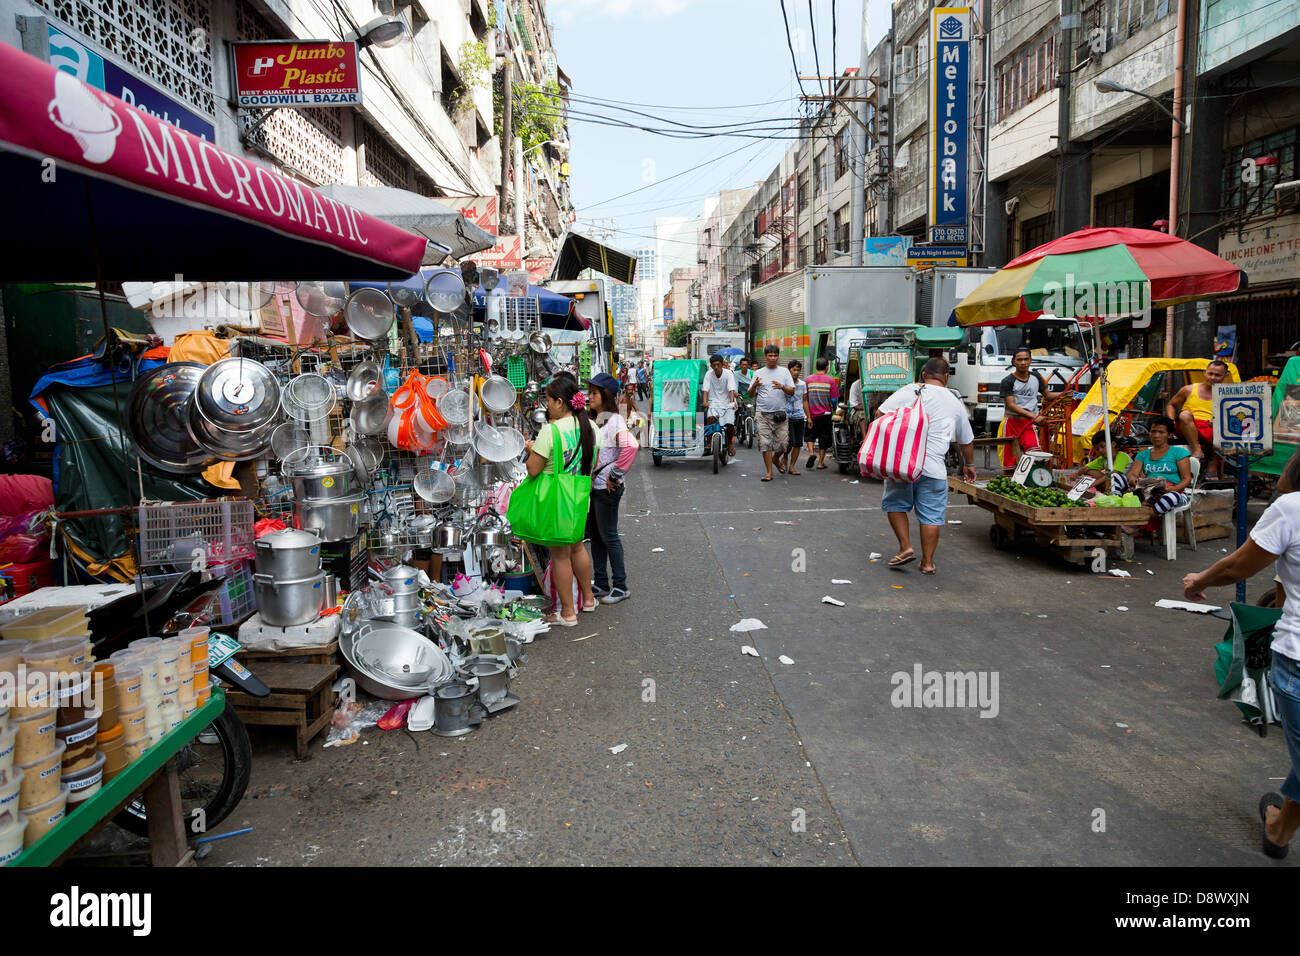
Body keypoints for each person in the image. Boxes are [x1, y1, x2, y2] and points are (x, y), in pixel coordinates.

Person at [1183, 447, 1300, 859]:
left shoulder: (1290, 507)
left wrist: (1198, 578)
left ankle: (1280, 829)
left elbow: (1237, 568)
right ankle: (1280, 829)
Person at [876, 357, 976, 574]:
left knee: (895, 504)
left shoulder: (911, 390)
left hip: (903, 463)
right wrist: (969, 464)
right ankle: (928, 562)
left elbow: (880, 415)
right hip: (935, 468)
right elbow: (966, 440)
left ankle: (905, 547)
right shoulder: (954, 401)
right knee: (931, 515)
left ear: (923, 374)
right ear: (947, 376)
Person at [523, 377, 603, 626]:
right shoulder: (592, 427)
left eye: (548, 400)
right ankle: (588, 599)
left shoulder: (551, 431)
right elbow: (594, 465)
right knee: (578, 547)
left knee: (559, 555)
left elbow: (533, 470)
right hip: (580, 498)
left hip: (557, 501)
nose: (547, 405)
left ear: (560, 402)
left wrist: (530, 450)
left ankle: (567, 612)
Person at [586, 372, 637, 605]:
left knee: (609, 536)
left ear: (605, 395)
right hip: (594, 487)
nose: (590, 396)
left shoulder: (614, 419)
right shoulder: (596, 418)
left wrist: (615, 474)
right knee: (596, 536)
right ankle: (601, 582)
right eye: (589, 392)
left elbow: (631, 446)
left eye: (594, 393)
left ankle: (620, 585)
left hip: (607, 489)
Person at [1112, 416, 1193, 518]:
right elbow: (1133, 473)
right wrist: (1133, 479)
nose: (1156, 435)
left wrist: (1172, 489)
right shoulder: (1143, 455)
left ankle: (1145, 517)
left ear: (1170, 435)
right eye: (1153, 431)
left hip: (1175, 493)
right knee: (1115, 477)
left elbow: (1187, 479)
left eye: (1161, 432)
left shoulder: (1179, 452)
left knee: (1171, 497)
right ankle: (1116, 508)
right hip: (1149, 493)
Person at [999, 346, 1062, 466]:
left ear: (1030, 360)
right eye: (1019, 360)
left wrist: (1065, 394)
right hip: (1011, 424)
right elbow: (1011, 405)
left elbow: (1047, 395)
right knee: (1010, 464)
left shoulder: (1036, 377)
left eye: (1026, 359)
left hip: (1028, 424)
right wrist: (1034, 416)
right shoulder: (1007, 381)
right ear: (1013, 362)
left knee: (1035, 456)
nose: (1023, 363)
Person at [1167, 358, 1230, 476]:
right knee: (1184, 414)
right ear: (1205, 372)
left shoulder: (1228, 394)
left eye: (1217, 375)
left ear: (1225, 376)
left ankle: (1213, 466)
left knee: (1225, 427)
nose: (1212, 377)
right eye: (1210, 373)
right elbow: (1171, 404)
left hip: (1211, 428)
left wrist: (1218, 419)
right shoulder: (1188, 389)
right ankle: (1197, 450)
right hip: (1186, 426)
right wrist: (1170, 423)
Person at [748, 344, 796, 482]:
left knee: (784, 443)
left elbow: (792, 391)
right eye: (770, 355)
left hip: (780, 414)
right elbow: (751, 394)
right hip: (762, 414)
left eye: (775, 355)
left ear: (778, 356)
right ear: (765, 356)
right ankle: (769, 472)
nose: (773, 358)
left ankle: (776, 459)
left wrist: (782, 387)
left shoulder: (785, 372)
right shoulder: (758, 373)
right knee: (765, 443)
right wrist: (755, 386)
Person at [803, 356, 840, 470]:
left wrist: (808, 414)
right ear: (827, 368)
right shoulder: (830, 380)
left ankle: (811, 453)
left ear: (815, 367)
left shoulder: (808, 380)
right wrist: (833, 409)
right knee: (824, 437)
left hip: (811, 414)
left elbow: (805, 398)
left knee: (810, 435)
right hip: (825, 414)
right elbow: (834, 400)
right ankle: (820, 463)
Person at [703, 353, 738, 456]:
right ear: (711, 366)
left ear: (722, 364)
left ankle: (730, 444)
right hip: (713, 402)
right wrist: (705, 402)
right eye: (714, 365)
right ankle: (709, 442)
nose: (716, 367)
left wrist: (732, 402)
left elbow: (731, 389)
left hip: (727, 402)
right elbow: (705, 390)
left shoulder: (728, 374)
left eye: (718, 364)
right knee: (710, 419)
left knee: (729, 424)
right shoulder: (708, 374)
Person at [780, 360, 809, 475]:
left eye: (798, 370)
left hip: (800, 416)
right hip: (787, 417)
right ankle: (785, 457)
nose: (796, 372)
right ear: (789, 370)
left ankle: (792, 466)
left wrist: (809, 417)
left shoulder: (802, 384)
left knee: (798, 443)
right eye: (794, 370)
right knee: (789, 442)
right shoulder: (784, 384)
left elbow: (805, 400)